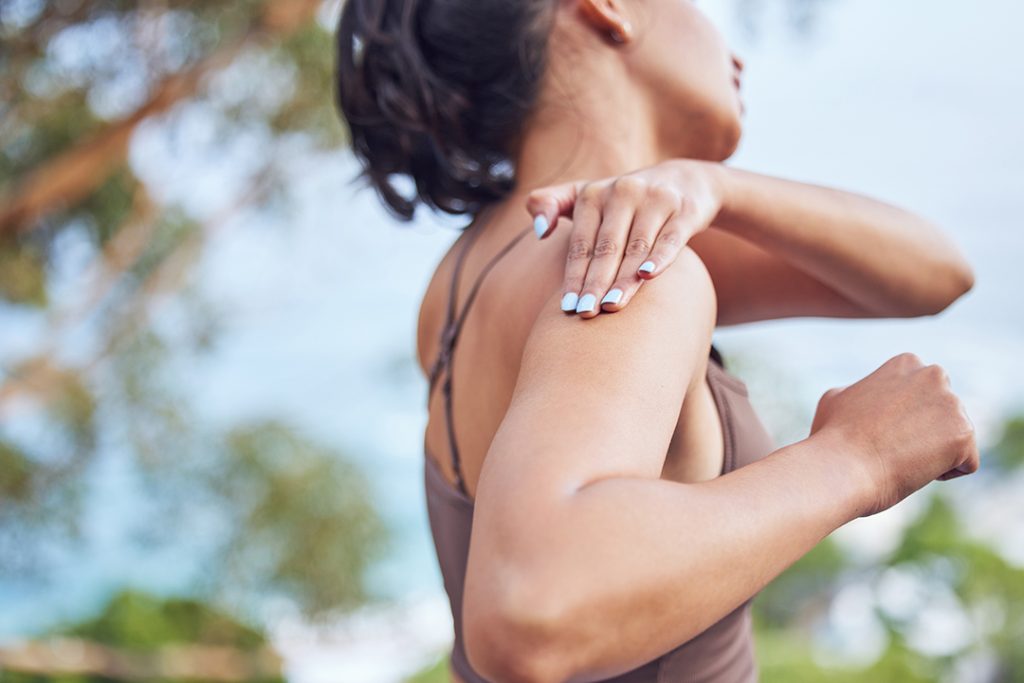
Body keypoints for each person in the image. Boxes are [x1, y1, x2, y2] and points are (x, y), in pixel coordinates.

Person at [335, 1, 979, 681]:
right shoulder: (616, 266)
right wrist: (856, 459)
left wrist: (717, 187)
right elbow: (529, 609)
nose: (733, 51)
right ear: (607, 8)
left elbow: (936, 273)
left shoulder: (461, 283)